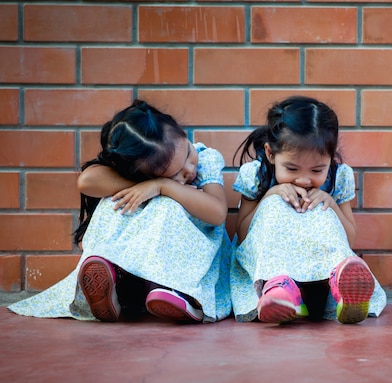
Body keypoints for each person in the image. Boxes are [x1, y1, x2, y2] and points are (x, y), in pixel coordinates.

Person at [9, 100, 232, 323]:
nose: (190, 170)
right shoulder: (139, 170)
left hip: (190, 265)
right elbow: (87, 181)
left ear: (182, 133)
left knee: (167, 205)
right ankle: (112, 278)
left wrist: (163, 186)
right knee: (115, 201)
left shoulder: (206, 158)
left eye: (187, 155)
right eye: (172, 175)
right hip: (138, 267)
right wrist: (143, 184)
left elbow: (217, 212)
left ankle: (178, 293)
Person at [230, 95, 386, 324]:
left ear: (330, 160)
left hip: (318, 282)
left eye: (316, 170)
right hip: (268, 271)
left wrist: (330, 204)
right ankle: (277, 287)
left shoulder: (338, 176)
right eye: (292, 168)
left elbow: (349, 237)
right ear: (271, 154)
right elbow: (243, 236)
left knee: (321, 208)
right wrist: (270, 196)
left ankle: (340, 287)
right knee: (275, 205)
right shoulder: (257, 174)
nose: (303, 180)